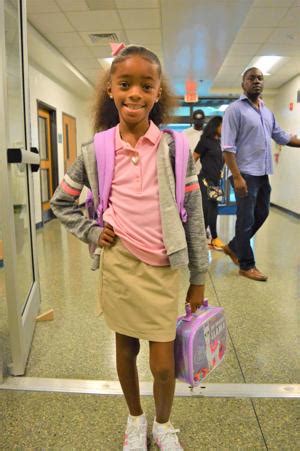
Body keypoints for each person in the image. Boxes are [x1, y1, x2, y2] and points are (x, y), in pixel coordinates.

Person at [50, 45, 208, 450]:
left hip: (162, 268)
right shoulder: (96, 149)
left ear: (158, 94)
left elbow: (194, 214)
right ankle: (136, 419)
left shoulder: (175, 149)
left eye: (145, 85)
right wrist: (90, 231)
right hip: (119, 263)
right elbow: (61, 201)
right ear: (110, 90)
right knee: (124, 348)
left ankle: (164, 424)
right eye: (125, 84)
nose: (134, 93)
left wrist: (199, 278)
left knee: (162, 363)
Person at [221, 66, 300, 281]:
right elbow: (227, 147)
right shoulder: (235, 110)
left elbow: (281, 136)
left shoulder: (266, 112)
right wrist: (237, 177)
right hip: (244, 173)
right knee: (245, 219)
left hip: (262, 173)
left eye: (260, 78)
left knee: (262, 213)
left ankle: (234, 246)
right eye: (251, 78)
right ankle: (246, 265)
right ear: (243, 83)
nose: (256, 81)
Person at [194, 116, 224, 250]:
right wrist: (186, 176)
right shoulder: (205, 141)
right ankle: (214, 238)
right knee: (210, 208)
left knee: (211, 209)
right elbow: (193, 158)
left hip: (216, 180)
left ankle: (205, 238)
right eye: (222, 126)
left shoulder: (220, 142)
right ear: (215, 126)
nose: (225, 129)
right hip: (206, 179)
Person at [183, 109, 205, 174]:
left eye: (200, 120)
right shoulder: (185, 133)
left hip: (205, 172)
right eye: (196, 120)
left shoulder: (208, 133)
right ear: (193, 120)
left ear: (204, 120)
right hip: (190, 171)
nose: (198, 122)